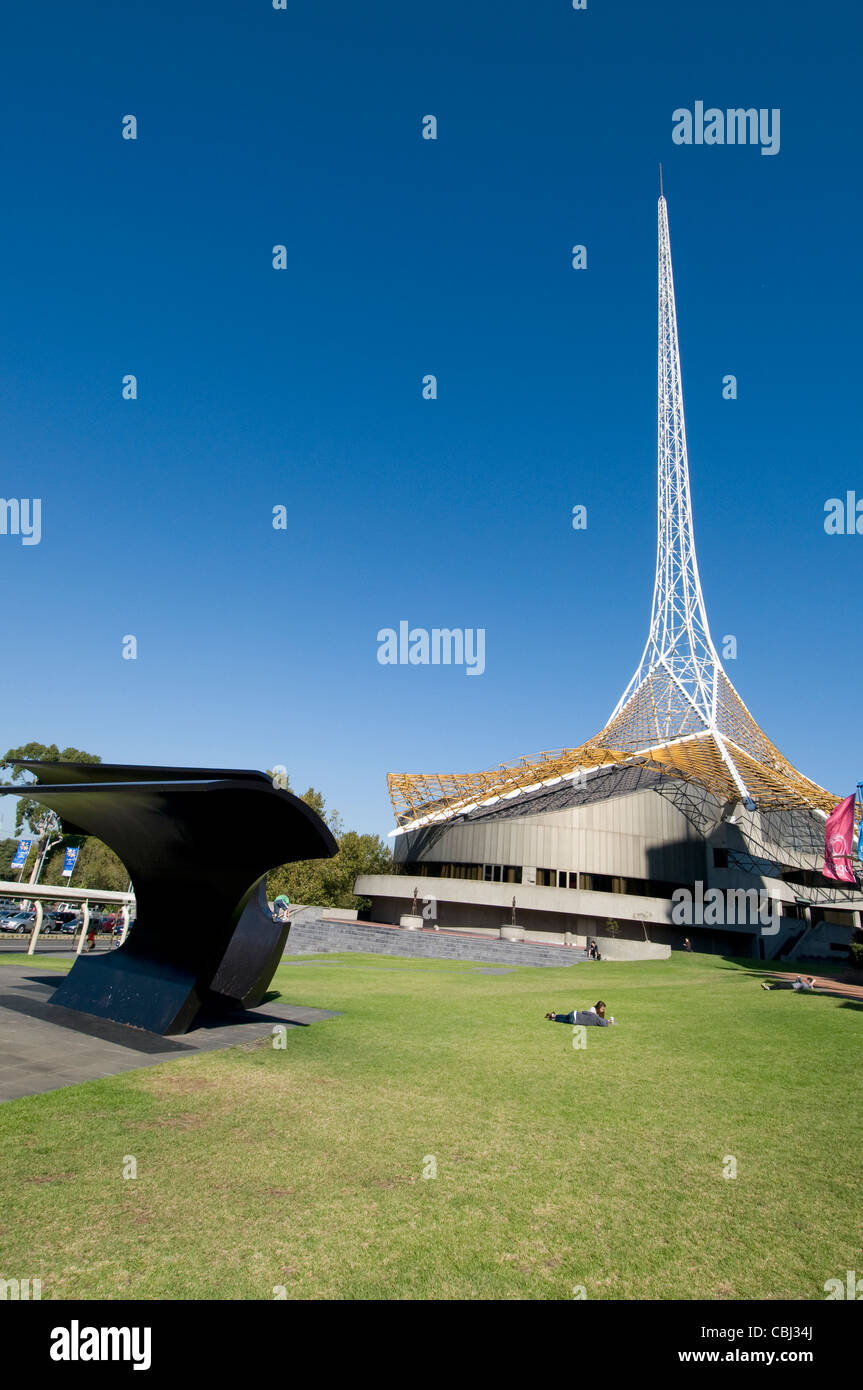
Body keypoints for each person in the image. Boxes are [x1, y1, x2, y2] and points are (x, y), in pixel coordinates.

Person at [545, 1000, 616, 1026]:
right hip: (576, 1019)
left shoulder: (595, 1013)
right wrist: (607, 1021)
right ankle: (553, 1018)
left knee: (565, 1017)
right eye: (602, 1009)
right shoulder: (593, 1011)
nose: (603, 1011)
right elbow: (598, 1020)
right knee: (564, 1020)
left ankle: (553, 1016)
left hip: (575, 1013)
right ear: (598, 1007)